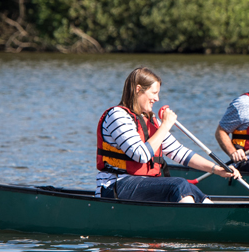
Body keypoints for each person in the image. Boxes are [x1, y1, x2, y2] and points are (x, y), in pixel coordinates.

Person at [96, 67, 241, 203]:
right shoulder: (117, 116)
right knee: (179, 184)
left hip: (145, 185)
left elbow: (179, 152)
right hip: (115, 186)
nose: (157, 99)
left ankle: (212, 214)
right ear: (138, 90)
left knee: (189, 189)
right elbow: (141, 155)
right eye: (154, 93)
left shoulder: (151, 120)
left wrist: (217, 169)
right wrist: (165, 125)